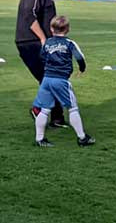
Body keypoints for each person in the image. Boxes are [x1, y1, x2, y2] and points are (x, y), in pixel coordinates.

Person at [15, 0, 66, 128]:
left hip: (40, 43)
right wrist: (43, 39)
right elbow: (29, 14)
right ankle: (38, 109)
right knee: (51, 79)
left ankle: (57, 119)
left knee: (53, 78)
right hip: (32, 43)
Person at [32, 15, 94, 147]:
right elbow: (80, 58)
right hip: (61, 80)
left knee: (44, 110)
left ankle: (40, 139)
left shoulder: (47, 42)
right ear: (68, 29)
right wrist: (82, 69)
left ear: (51, 29)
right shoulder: (70, 43)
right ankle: (82, 138)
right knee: (72, 108)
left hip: (46, 79)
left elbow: (42, 57)